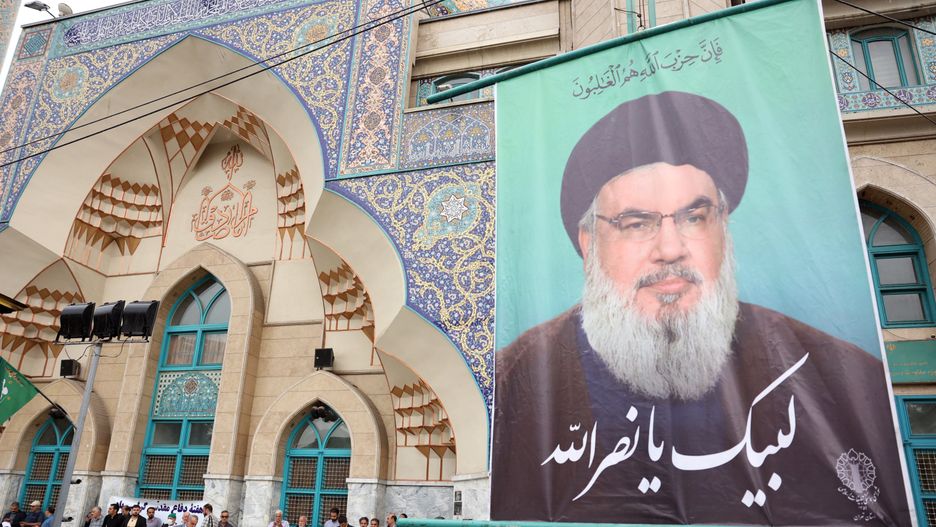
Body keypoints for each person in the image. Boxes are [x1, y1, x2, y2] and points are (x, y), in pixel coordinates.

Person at [492, 91, 910, 525]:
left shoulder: (841, 375)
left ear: (723, 228)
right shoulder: (512, 385)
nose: (671, 249)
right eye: (637, 224)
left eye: (694, 218)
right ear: (589, 243)